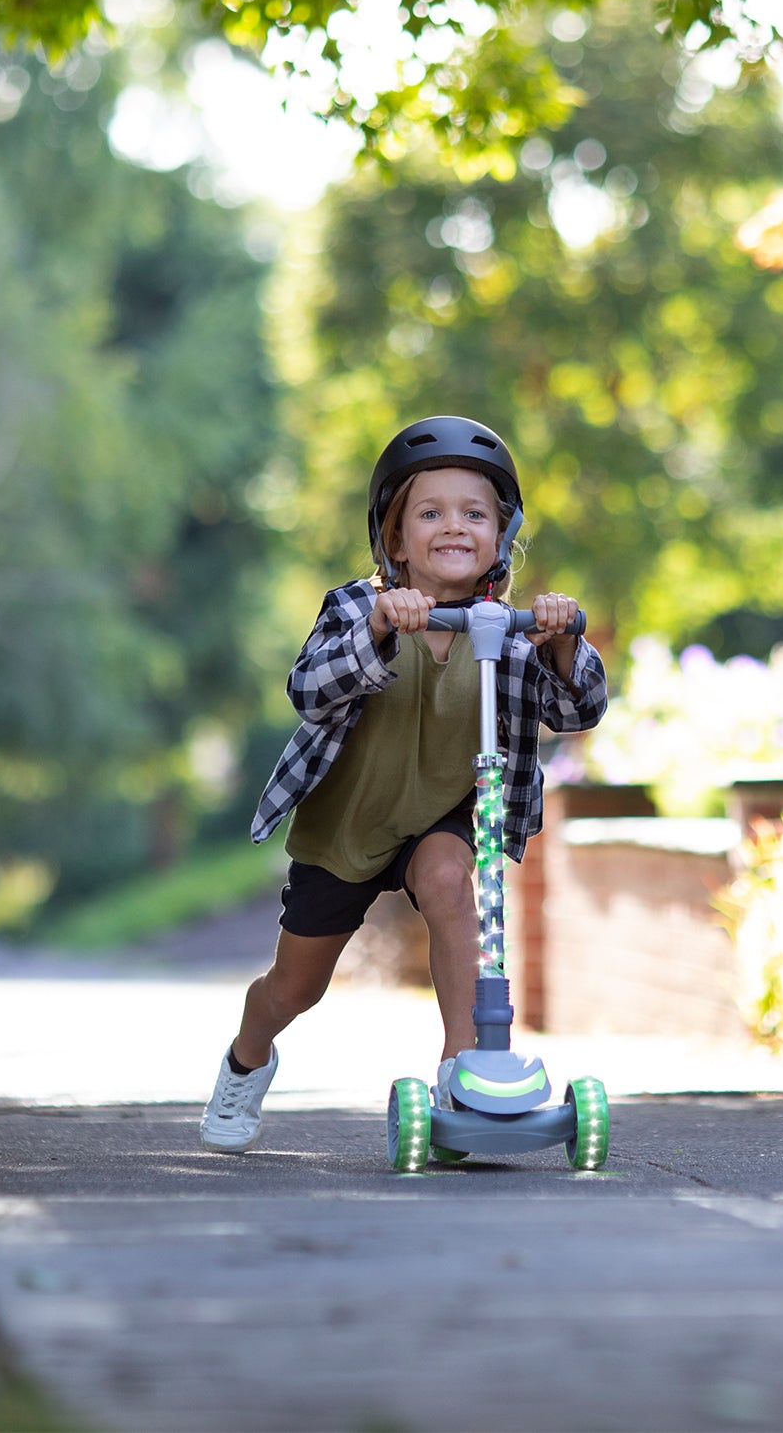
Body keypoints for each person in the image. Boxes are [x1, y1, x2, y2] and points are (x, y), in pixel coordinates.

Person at [200, 414, 609, 1152]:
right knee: (296, 986)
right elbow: (309, 689)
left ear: (501, 535)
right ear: (395, 539)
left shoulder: (513, 628)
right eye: (430, 513)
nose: (454, 526)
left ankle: (465, 1076)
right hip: (348, 826)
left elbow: (579, 709)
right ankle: (247, 1053)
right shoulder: (359, 607)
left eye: (474, 513)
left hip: (442, 817)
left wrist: (564, 640)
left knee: (454, 880)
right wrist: (383, 629)